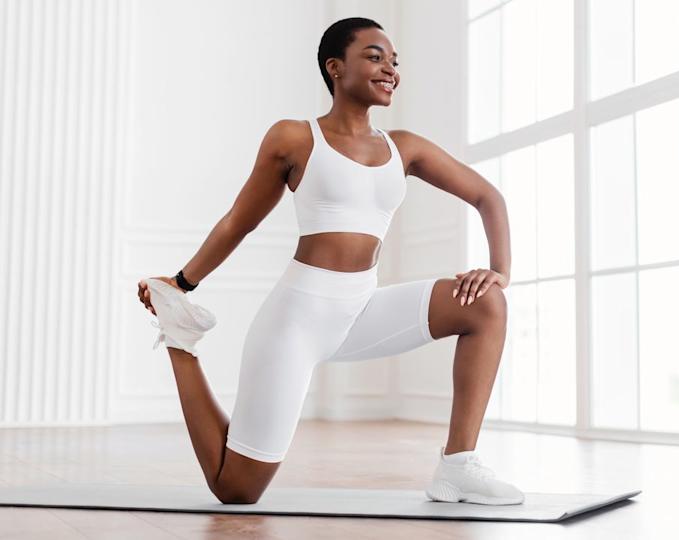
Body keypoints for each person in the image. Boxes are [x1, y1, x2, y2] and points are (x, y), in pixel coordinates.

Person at [135, 17, 520, 506]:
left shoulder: (405, 148)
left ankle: (458, 466)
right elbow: (238, 222)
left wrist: (499, 271)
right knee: (237, 489)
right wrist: (181, 284)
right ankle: (180, 341)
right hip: (297, 319)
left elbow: (488, 197)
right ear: (335, 68)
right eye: (375, 57)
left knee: (486, 305)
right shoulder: (294, 138)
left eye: (394, 61)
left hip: (362, 309)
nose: (390, 69)